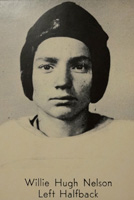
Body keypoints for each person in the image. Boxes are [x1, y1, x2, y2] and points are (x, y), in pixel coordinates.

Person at [0, 2, 134, 199]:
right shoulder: (5, 140)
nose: (63, 82)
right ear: (28, 75)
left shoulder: (128, 140)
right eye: (47, 66)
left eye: (79, 67)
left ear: (98, 75)